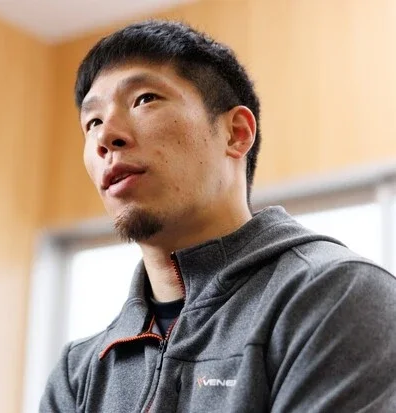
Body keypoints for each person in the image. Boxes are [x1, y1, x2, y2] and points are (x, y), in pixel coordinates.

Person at [40, 20, 396, 412]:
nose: (106, 137)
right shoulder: (78, 373)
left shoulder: (336, 295)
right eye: (92, 122)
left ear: (236, 133)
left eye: (144, 99)